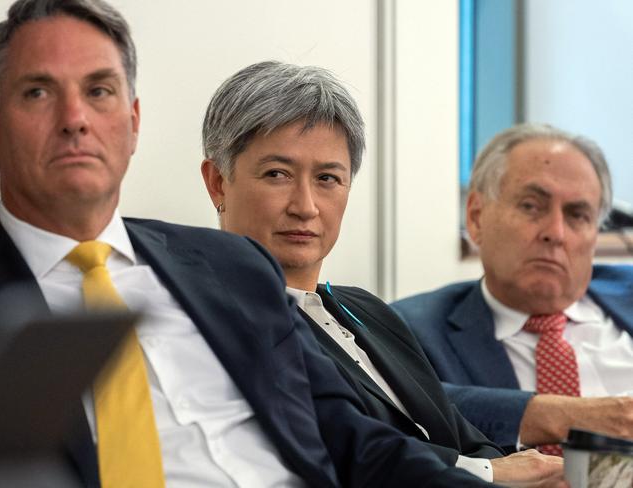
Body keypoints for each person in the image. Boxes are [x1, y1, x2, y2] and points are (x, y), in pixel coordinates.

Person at [0, 1, 499, 486]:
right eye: (38, 92)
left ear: (133, 123)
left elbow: (359, 443)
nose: (75, 118)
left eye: (99, 92)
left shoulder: (229, 267)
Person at [201, 61, 565, 486]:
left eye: (327, 178)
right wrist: (486, 473)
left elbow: (469, 438)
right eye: (277, 174)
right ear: (218, 183)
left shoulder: (367, 311)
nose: (306, 205)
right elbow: (329, 449)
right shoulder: (209, 317)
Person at [392, 123, 633, 454]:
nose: (556, 232)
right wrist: (563, 416)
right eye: (531, 206)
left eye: (578, 214)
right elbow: (390, 410)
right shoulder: (408, 329)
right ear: (476, 218)